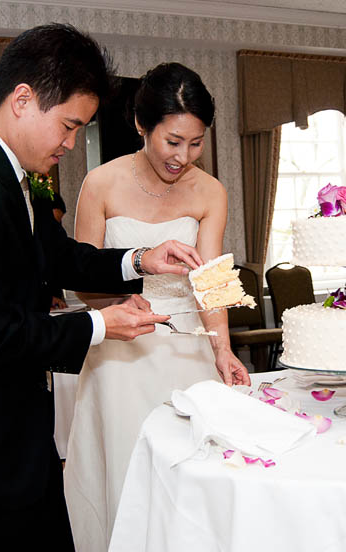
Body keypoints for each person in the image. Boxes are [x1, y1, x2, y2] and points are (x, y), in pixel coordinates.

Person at [0, 25, 202, 550]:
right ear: (23, 100)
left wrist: (138, 259)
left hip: (17, 435)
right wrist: (101, 324)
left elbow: (58, 257)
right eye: (67, 126)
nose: (70, 143)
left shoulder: (11, 172)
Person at [63, 62, 250, 551]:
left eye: (196, 142)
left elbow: (210, 281)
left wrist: (222, 350)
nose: (183, 156)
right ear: (143, 126)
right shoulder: (100, 184)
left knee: (193, 472)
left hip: (187, 347)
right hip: (123, 348)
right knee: (128, 467)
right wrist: (126, 301)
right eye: (172, 141)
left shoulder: (211, 191)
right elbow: (83, 281)